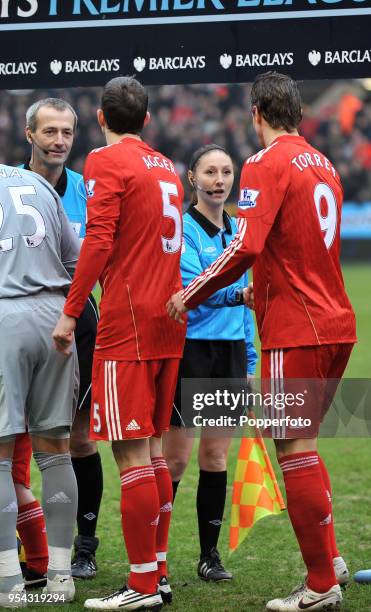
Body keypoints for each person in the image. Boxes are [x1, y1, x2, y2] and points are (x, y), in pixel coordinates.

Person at [167, 71, 357, 612]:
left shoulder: (266, 163)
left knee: (292, 447)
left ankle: (321, 583)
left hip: (296, 327)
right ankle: (332, 558)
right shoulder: (324, 164)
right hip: (336, 319)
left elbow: (246, 245)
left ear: (256, 113)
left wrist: (193, 290)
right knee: (307, 445)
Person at [53, 76, 186, 611]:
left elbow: (100, 241)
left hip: (127, 322)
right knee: (153, 450)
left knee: (131, 453)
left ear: (102, 119)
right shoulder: (165, 166)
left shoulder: (106, 162)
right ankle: (158, 572)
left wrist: (69, 312)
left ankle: (140, 586)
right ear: (147, 121)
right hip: (167, 319)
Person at [17, 97, 103, 581]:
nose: (59, 142)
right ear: (30, 135)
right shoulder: (8, 184)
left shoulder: (88, 193)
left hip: (79, 325)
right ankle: (28, 543)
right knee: (17, 439)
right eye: (50, 132)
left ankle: (82, 545)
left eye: (67, 132)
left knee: (79, 441)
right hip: (20, 323)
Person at [163, 144, 257, 583]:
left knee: (216, 457)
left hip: (230, 354)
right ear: (192, 180)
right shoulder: (182, 228)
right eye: (210, 173)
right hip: (192, 352)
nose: (219, 180)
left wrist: (250, 359)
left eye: (225, 172)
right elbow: (188, 292)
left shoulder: (240, 230)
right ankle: (154, 555)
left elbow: (248, 306)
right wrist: (236, 294)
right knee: (176, 461)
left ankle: (209, 556)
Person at [0, 163, 80, 606]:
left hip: (4, 313)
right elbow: (76, 259)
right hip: (54, 317)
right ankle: (60, 576)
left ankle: (11, 583)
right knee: (56, 449)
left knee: (0, 459)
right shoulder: (37, 184)